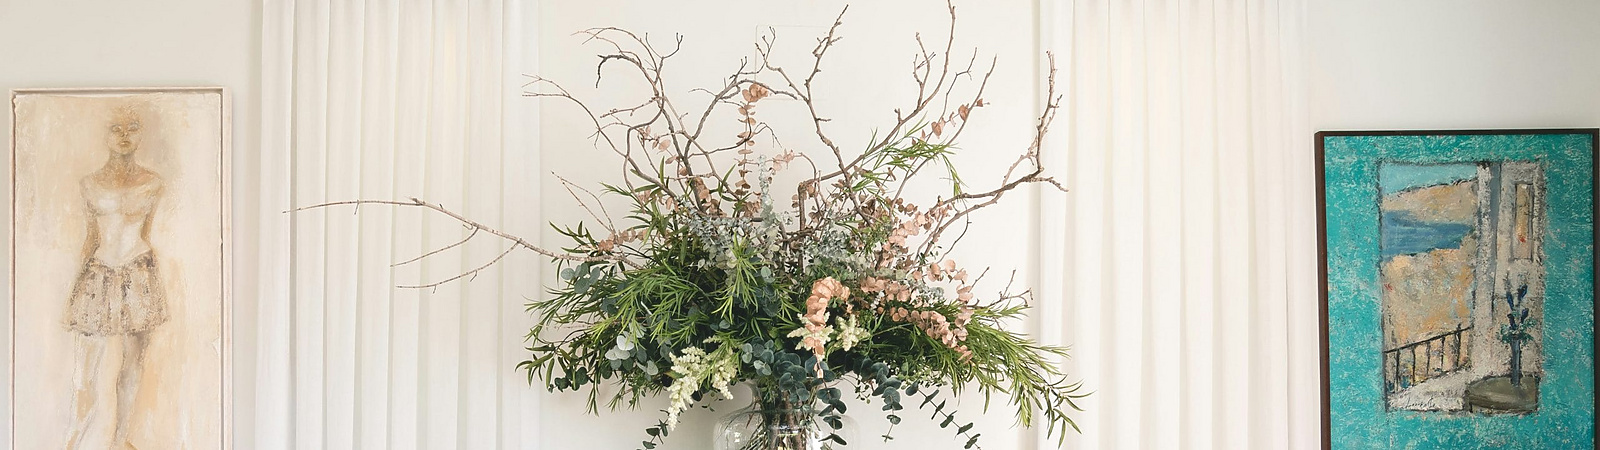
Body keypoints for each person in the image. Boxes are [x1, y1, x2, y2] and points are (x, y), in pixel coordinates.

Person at [62, 104, 168, 450]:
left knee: (133, 364)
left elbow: (147, 233)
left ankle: (121, 440)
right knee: (85, 372)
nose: (124, 136)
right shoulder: (89, 184)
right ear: (105, 135)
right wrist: (79, 285)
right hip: (98, 274)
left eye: (132, 127)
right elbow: (91, 238)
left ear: (141, 133)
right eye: (116, 129)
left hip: (139, 271)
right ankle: (73, 439)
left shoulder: (153, 183)